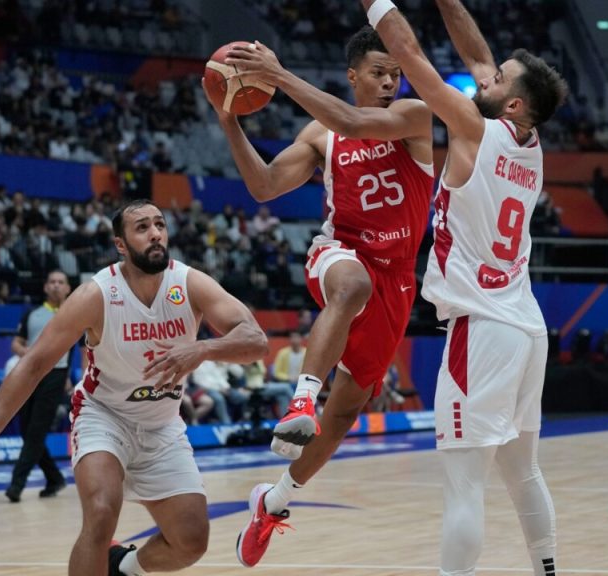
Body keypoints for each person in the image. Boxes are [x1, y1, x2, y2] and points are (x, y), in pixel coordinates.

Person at [0, 200, 268, 576]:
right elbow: (33, 364)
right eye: (142, 227)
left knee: (191, 541)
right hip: (104, 416)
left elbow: (256, 341)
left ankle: (124, 567)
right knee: (100, 514)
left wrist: (202, 349)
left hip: (162, 425)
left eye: (160, 225)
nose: (155, 234)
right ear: (121, 244)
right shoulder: (96, 294)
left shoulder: (189, 282)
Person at [213, 26, 434, 567]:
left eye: (395, 73)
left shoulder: (415, 116)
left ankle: (272, 502)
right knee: (351, 285)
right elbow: (265, 186)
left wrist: (278, 75)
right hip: (340, 253)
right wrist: (229, 122)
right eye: (378, 73)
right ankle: (301, 399)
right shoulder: (319, 136)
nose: (389, 81)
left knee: (346, 414)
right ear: (353, 75)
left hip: (400, 277)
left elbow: (354, 121)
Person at [361, 1, 569, 574]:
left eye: (498, 79)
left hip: (480, 330)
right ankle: (547, 568)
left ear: (513, 102)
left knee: (462, 484)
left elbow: (406, 54)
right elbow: (476, 54)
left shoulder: (473, 127)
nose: (485, 75)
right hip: (525, 328)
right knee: (523, 471)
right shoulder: (530, 143)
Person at [4, 270, 72, 503]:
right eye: (51, 282)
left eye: (60, 282)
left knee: (36, 431)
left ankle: (16, 484)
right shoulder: (32, 314)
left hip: (56, 375)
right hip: (30, 374)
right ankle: (54, 478)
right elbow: (16, 343)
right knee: (27, 431)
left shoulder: (74, 314)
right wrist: (28, 353)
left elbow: (79, 349)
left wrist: (73, 379)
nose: (55, 286)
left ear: (67, 289)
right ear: (45, 287)